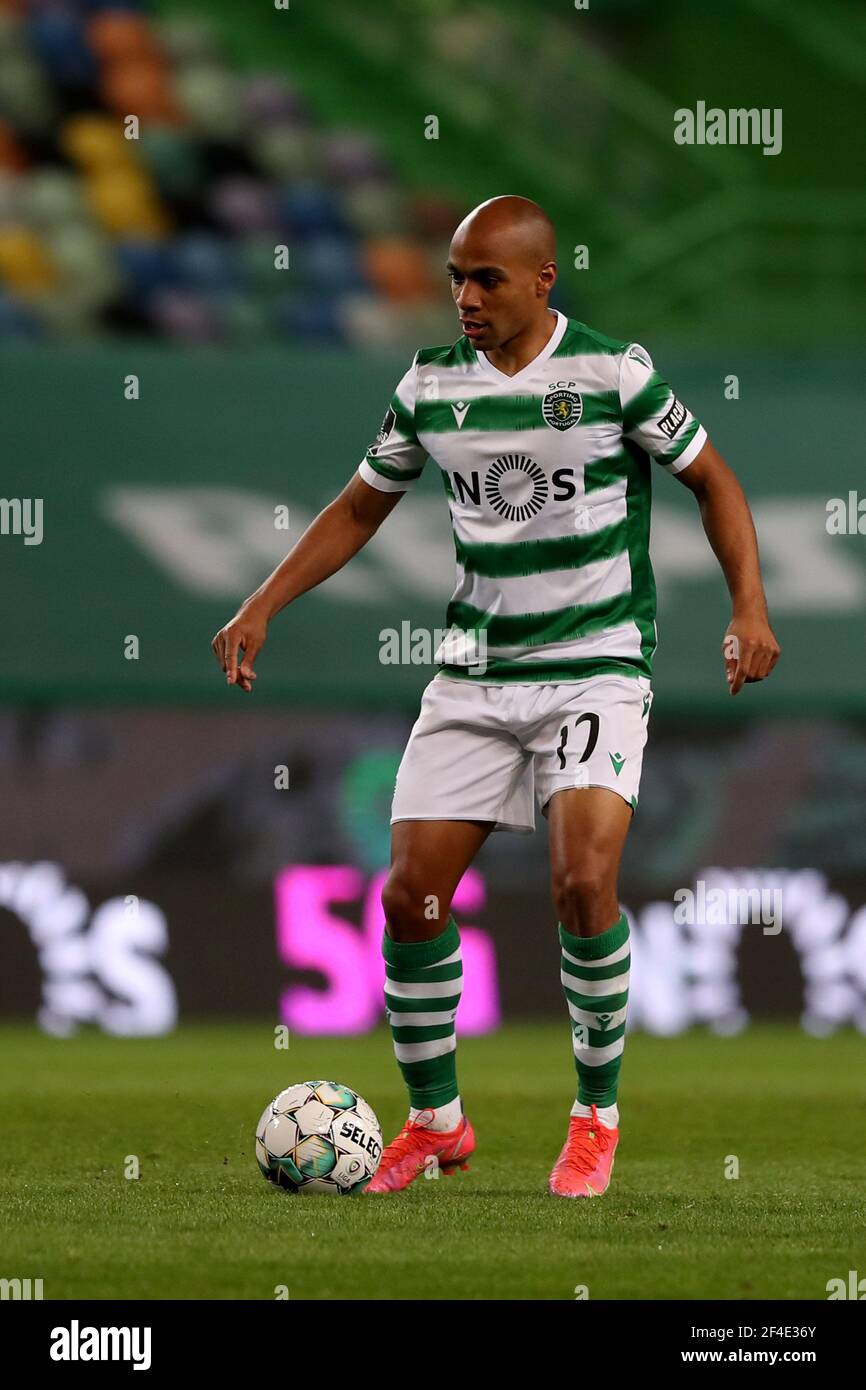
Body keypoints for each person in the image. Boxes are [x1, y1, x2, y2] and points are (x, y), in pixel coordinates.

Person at [212, 195, 780, 1198]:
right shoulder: (429, 385)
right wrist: (263, 601)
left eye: (485, 278)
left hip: (597, 665)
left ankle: (594, 1115)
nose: (464, 297)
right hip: (474, 676)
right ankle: (437, 1124)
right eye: (454, 277)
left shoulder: (613, 372)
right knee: (408, 895)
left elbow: (715, 483)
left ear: (539, 280)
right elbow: (357, 507)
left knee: (581, 880)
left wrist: (747, 606)